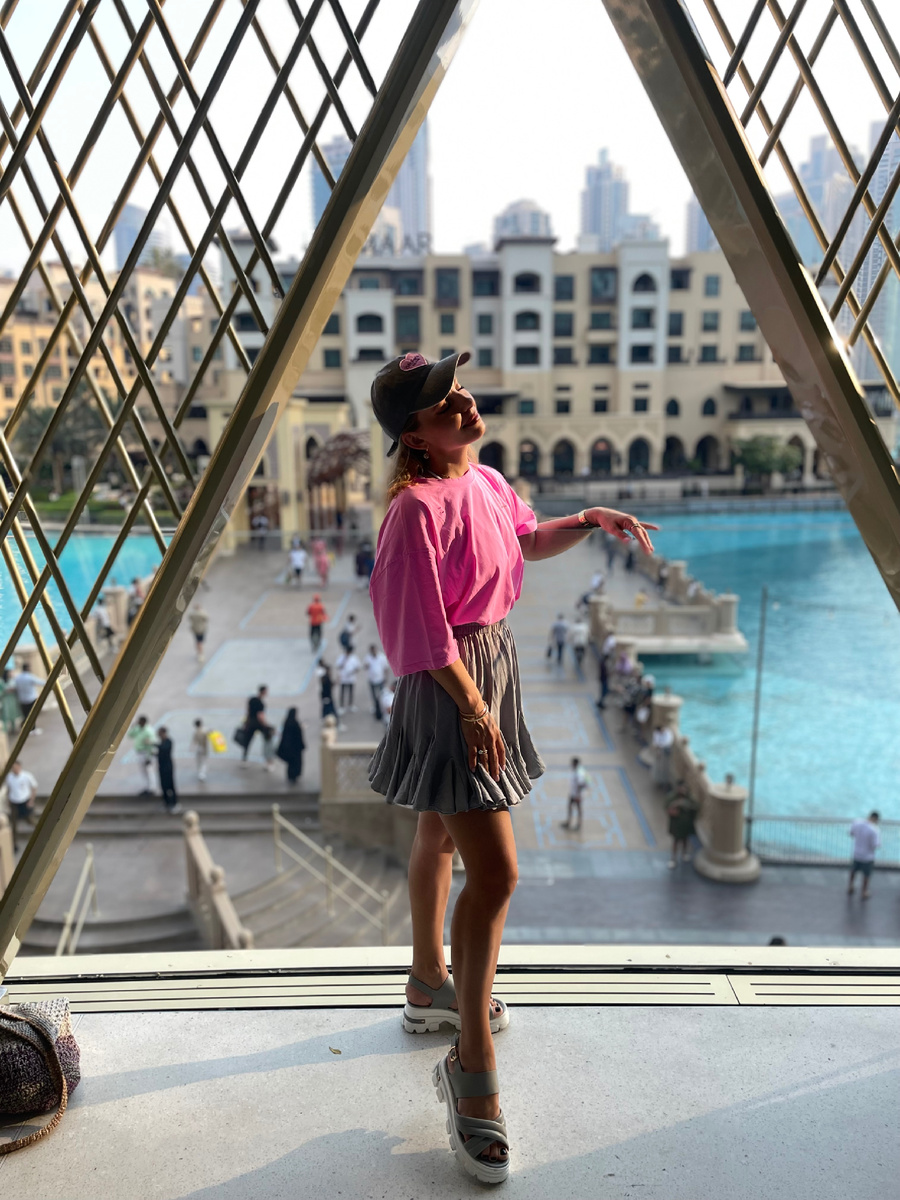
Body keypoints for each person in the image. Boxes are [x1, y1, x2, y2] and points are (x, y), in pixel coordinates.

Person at [365, 349, 657, 1182]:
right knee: (496, 874)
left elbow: (525, 540)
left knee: (439, 832)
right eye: (442, 404)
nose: (464, 403)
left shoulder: (487, 481)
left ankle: (429, 980)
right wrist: (472, 705)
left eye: (459, 390)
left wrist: (588, 519)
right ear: (414, 436)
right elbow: (418, 631)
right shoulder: (413, 511)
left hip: (486, 669)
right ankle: (471, 1062)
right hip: (453, 683)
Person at [848, 811, 881, 899]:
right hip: (867, 857)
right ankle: (864, 891)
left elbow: (851, 833)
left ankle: (850, 886)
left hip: (856, 854)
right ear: (876, 819)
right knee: (866, 875)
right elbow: (875, 845)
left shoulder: (857, 822)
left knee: (853, 871)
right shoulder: (874, 829)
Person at [5, 760, 37, 849]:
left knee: (30, 820)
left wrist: (31, 800)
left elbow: (34, 787)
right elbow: (8, 789)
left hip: (24, 801)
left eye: (15, 767)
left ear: (19, 767)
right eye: (12, 768)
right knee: (13, 824)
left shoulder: (26, 776)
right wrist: (8, 800)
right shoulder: (9, 777)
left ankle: (42, 834)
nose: (14, 769)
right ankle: (14, 844)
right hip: (14, 803)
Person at [666, 782, 698, 868]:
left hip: (686, 823)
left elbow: (696, 806)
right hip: (676, 824)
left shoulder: (689, 797)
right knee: (676, 841)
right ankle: (673, 859)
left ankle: (684, 853)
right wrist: (675, 805)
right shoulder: (672, 797)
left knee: (685, 840)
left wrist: (686, 804)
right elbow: (666, 806)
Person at [241, 685, 273, 765]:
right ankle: (268, 761)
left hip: (250, 723)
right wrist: (266, 725)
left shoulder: (252, 699)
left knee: (247, 742)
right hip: (259, 724)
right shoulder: (261, 703)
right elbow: (260, 716)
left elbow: (248, 711)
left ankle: (244, 760)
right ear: (263, 691)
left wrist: (246, 722)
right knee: (267, 740)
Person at [276, 707, 306, 784]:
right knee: (296, 763)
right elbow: (299, 736)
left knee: (291, 763)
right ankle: (295, 775)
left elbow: (284, 735)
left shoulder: (286, 722)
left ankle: (291, 776)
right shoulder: (295, 723)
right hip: (296, 748)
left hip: (289, 747)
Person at [128, 715, 156, 795]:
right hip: (140, 753)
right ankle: (147, 786)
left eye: (140, 721)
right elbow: (130, 735)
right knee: (143, 771)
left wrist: (149, 757)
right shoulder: (138, 728)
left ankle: (152, 788)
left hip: (146, 753)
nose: (138, 723)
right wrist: (133, 727)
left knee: (149, 771)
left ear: (143, 722)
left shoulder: (149, 731)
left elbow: (151, 745)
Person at [156, 727, 181, 814]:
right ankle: (166, 802)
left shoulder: (168, 742)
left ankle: (174, 803)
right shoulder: (161, 742)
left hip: (168, 767)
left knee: (170, 785)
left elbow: (164, 750)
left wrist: (155, 745)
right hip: (161, 767)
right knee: (163, 785)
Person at [561, 757, 589, 832]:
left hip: (577, 795)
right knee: (570, 807)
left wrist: (578, 796)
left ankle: (578, 824)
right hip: (573, 793)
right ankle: (569, 822)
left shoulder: (579, 773)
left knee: (578, 808)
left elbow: (581, 785)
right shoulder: (574, 770)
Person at [14, 665, 44, 732]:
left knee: (26, 714)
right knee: (32, 715)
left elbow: (15, 687)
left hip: (22, 699)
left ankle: (26, 728)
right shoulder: (30, 677)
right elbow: (41, 682)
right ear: (27, 668)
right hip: (31, 698)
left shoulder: (18, 677)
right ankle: (32, 729)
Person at [364, 644, 389, 720]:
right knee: (374, 695)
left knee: (382, 694)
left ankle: (382, 707)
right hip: (372, 679)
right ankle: (376, 707)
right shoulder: (368, 657)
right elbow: (365, 667)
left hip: (380, 679)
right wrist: (367, 666)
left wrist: (386, 677)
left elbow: (385, 668)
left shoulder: (382, 657)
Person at [317, 662, 342, 729]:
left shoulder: (325, 678)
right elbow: (330, 686)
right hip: (327, 697)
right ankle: (337, 724)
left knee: (326, 710)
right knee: (332, 711)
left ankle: (325, 721)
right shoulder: (325, 678)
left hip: (325, 697)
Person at [336, 646, 361, 712]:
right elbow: (338, 666)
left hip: (351, 678)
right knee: (342, 693)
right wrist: (344, 661)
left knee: (351, 692)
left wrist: (352, 671)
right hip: (343, 678)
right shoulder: (341, 657)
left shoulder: (354, 658)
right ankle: (341, 706)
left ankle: (350, 705)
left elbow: (358, 668)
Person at [0, 668, 22, 735]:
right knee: (5, 715)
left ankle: (13, 729)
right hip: (5, 700)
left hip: (12, 699)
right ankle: (5, 731)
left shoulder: (12, 680)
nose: (10, 674)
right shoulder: (1, 682)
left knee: (13, 714)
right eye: (9, 673)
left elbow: (16, 688)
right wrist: (5, 691)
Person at [191, 718, 209, 783]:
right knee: (203, 762)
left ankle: (200, 773)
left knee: (199, 761)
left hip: (198, 748)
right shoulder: (204, 730)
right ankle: (202, 774)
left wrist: (192, 748)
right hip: (204, 748)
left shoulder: (196, 732)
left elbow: (194, 741)